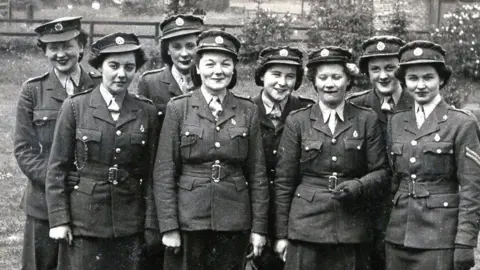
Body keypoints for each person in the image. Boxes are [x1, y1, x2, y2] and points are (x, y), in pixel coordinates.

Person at [154, 29, 269, 270]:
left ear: (233, 69)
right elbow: (164, 172)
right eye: (210, 64)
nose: (218, 71)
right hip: (189, 218)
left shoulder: (247, 110)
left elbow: (258, 174)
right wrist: (169, 226)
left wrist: (258, 228)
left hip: (234, 219)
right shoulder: (178, 108)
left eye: (226, 64)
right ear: (197, 68)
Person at [45, 32, 159, 270]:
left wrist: (149, 224)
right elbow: (57, 169)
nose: (121, 74)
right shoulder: (75, 107)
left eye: (129, 67)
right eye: (114, 66)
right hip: (85, 220)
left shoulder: (146, 111)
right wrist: (59, 220)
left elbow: (151, 175)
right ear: (100, 67)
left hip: (130, 221)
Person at [274, 46, 390, 270]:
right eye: (323, 77)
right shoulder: (297, 121)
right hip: (306, 225)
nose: (330, 84)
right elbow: (284, 181)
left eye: (337, 77)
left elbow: (382, 171)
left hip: (351, 226)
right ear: (314, 82)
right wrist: (281, 235)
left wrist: (359, 185)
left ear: (348, 81)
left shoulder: (366, 119)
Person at [13, 16, 101, 270]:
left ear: (81, 47)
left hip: (89, 200)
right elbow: (24, 150)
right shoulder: (33, 90)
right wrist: (58, 179)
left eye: (67, 46)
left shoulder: (98, 85)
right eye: (53, 48)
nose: (61, 54)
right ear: (45, 51)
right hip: (43, 204)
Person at [385, 40, 480, 270]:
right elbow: (394, 180)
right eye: (413, 78)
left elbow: (472, 189)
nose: (420, 85)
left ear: (441, 79)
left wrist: (465, 242)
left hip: (439, 236)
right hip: (398, 237)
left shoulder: (461, 123)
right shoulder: (397, 121)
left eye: (428, 77)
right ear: (404, 82)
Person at [347, 35, 413, 270]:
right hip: (367, 205)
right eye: (375, 69)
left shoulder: (417, 102)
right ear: (367, 72)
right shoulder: (356, 106)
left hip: (406, 205)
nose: (383, 75)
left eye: (390, 68)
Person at [247, 46, 313, 270]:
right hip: (252, 210)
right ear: (261, 76)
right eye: (276, 75)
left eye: (290, 76)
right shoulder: (245, 110)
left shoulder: (306, 112)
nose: (282, 83)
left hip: (294, 209)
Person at [137, 14, 204, 126]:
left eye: (190, 46)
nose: (184, 54)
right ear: (168, 50)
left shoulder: (210, 80)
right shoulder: (150, 82)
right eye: (177, 47)